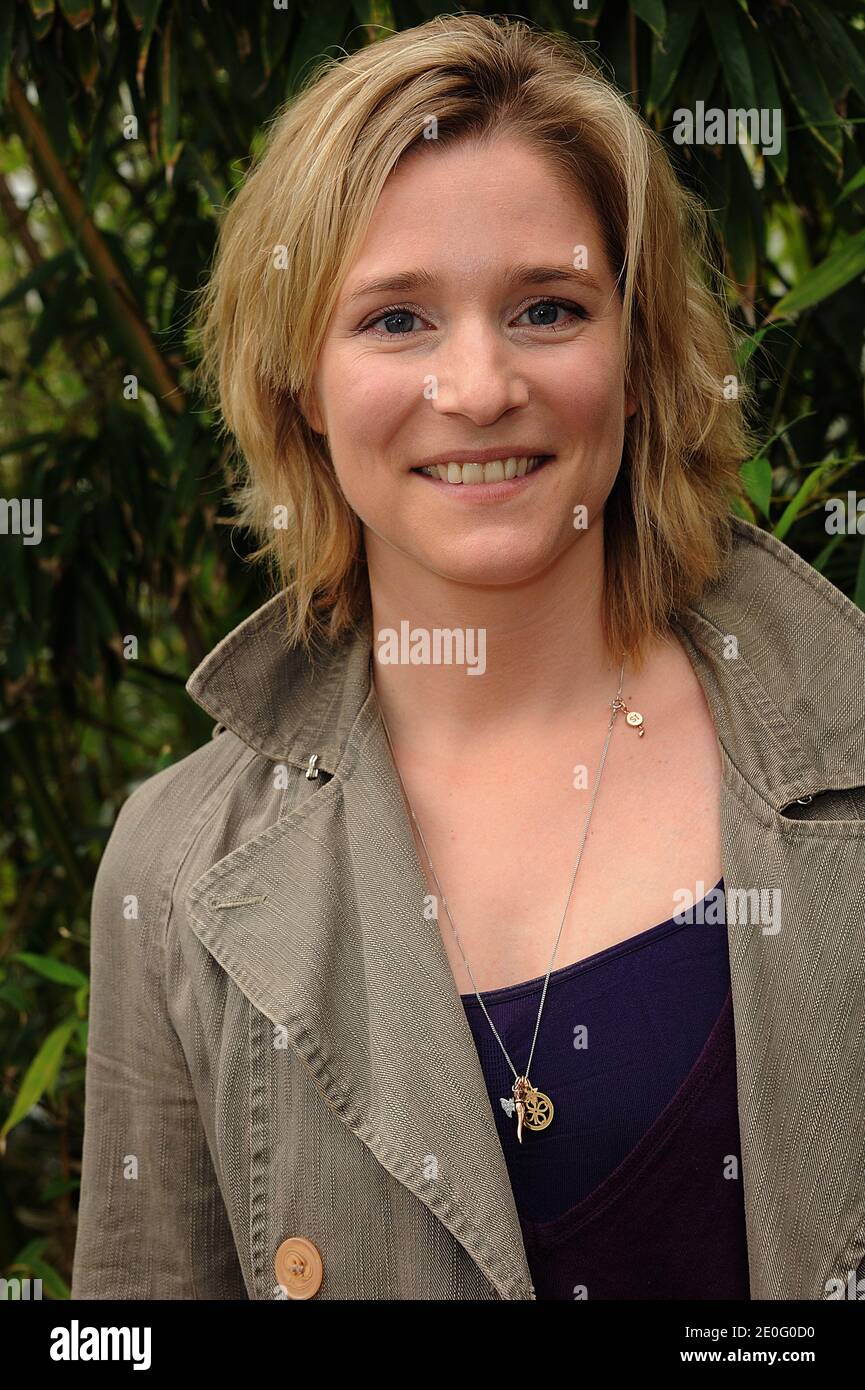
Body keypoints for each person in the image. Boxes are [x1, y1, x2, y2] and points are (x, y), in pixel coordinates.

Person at [71, 13, 865, 1301]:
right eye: (396, 321)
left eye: (549, 308)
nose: (480, 384)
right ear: (296, 389)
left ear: (642, 356)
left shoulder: (849, 746)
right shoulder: (174, 871)